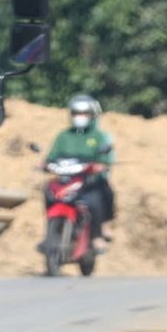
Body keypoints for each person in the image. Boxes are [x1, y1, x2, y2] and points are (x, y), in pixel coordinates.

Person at [47, 94, 115, 246]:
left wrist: (100, 166)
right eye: (76, 113)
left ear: (92, 115)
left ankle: (98, 233)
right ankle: (52, 230)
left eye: (84, 113)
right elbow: (51, 156)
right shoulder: (64, 136)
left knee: (97, 198)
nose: (80, 117)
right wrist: (45, 164)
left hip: (89, 182)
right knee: (48, 190)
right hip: (67, 180)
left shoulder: (98, 136)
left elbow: (105, 159)